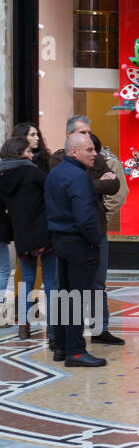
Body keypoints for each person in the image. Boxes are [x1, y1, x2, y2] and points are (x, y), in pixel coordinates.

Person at [52, 117, 124, 344]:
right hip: (72, 234)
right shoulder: (58, 163)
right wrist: (97, 184)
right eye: (84, 133)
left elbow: (115, 186)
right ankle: (60, 338)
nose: (89, 138)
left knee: (97, 283)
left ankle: (98, 329)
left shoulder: (96, 159)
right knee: (65, 287)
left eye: (90, 133)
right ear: (71, 141)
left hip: (96, 230)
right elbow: (73, 188)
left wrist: (99, 186)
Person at [44, 132, 106, 367]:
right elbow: (85, 217)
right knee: (77, 298)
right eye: (89, 150)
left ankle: (61, 346)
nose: (94, 153)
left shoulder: (56, 173)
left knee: (64, 295)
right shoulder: (79, 177)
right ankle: (76, 352)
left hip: (60, 240)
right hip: (79, 243)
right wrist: (95, 240)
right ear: (74, 152)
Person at [0, 137, 54, 341]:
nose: (32, 155)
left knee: (27, 280)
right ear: (19, 153)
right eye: (29, 152)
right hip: (43, 233)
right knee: (50, 279)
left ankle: (24, 324)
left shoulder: (2, 177)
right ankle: (55, 327)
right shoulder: (32, 172)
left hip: (22, 236)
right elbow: (51, 193)